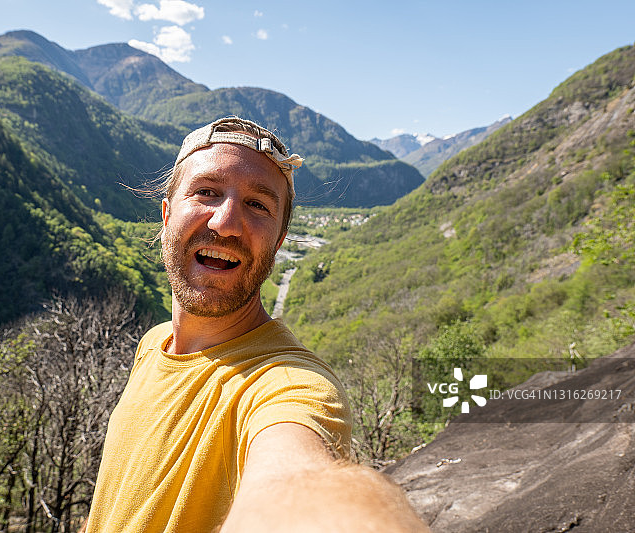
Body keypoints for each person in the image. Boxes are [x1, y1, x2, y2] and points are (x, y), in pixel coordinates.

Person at [82, 117, 428, 532]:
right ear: (166, 214)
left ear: (279, 240)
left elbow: (296, 481)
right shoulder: (154, 345)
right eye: (207, 192)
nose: (225, 223)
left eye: (258, 205)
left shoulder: (289, 386)